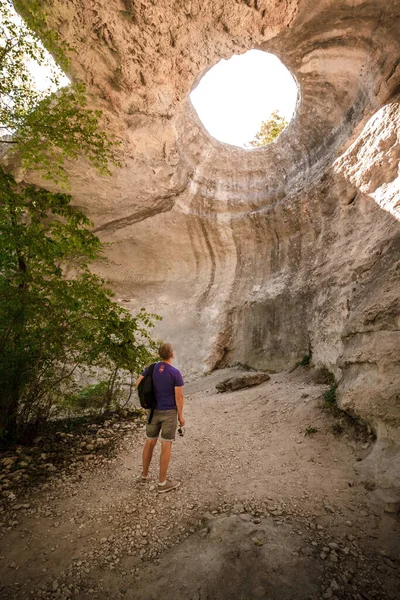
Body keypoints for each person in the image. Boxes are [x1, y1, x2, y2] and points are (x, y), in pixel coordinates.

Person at [136, 342, 185, 493]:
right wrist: (181, 418)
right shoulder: (175, 373)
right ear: (172, 354)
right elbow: (179, 397)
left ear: (159, 354)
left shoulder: (151, 368)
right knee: (166, 445)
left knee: (149, 442)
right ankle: (162, 483)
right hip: (169, 413)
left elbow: (138, 383)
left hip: (152, 411)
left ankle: (144, 476)